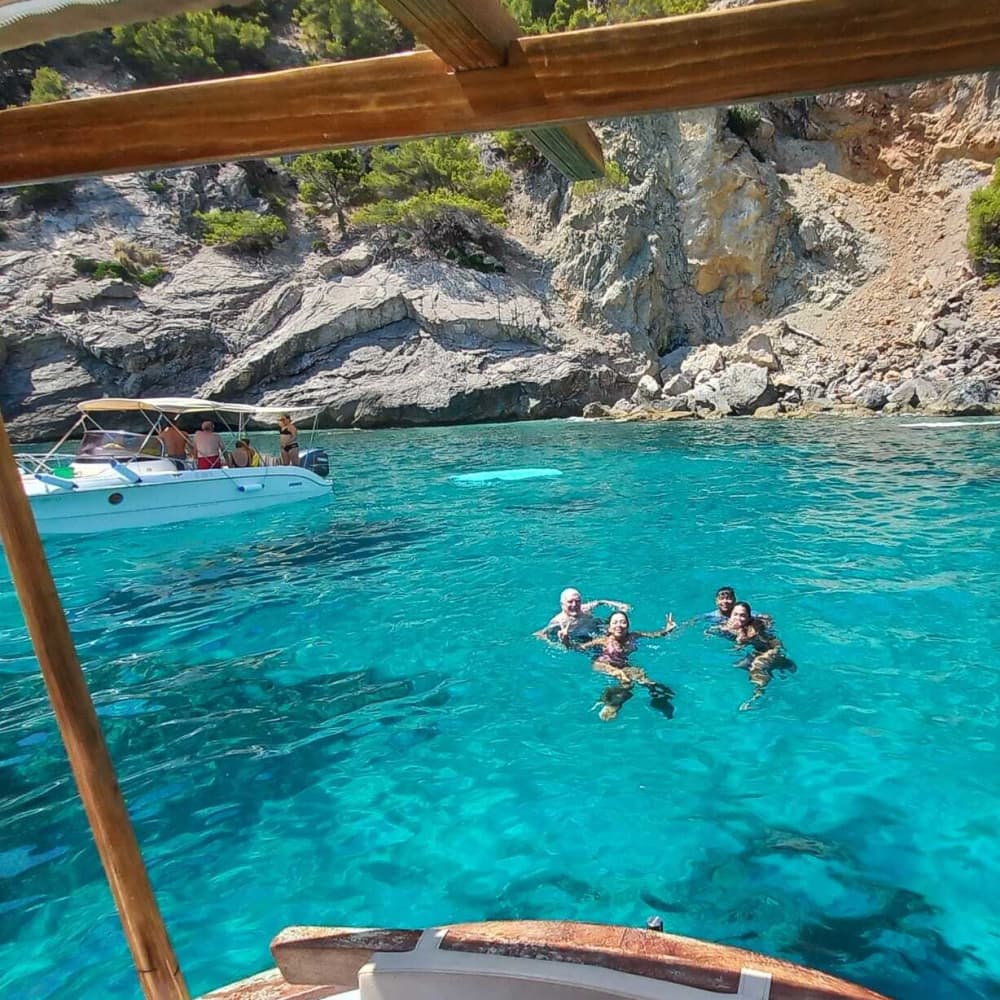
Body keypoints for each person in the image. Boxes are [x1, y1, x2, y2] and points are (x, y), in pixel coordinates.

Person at [577, 611, 676, 721]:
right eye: (615, 622)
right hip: (603, 664)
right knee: (625, 679)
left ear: (628, 626)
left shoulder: (634, 636)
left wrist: (667, 630)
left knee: (643, 678)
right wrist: (565, 639)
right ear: (609, 628)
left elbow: (654, 635)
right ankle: (611, 703)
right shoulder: (604, 640)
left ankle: (659, 698)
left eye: (623, 622)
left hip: (623, 665)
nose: (619, 625)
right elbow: (579, 647)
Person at [719, 601, 792, 710]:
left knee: (757, 667)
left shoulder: (753, 628)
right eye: (735, 614)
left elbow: (743, 643)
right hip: (758, 651)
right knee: (739, 665)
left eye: (742, 615)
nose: (738, 618)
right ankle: (776, 673)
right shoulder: (729, 625)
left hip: (773, 650)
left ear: (749, 617)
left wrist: (740, 636)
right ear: (730, 615)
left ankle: (758, 697)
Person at [535, 588, 630, 645]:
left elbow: (600, 602)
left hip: (598, 632)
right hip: (583, 641)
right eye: (570, 602)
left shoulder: (585, 609)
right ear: (562, 604)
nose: (574, 605)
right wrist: (560, 642)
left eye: (577, 601)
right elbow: (540, 634)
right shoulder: (558, 621)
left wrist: (619, 606)